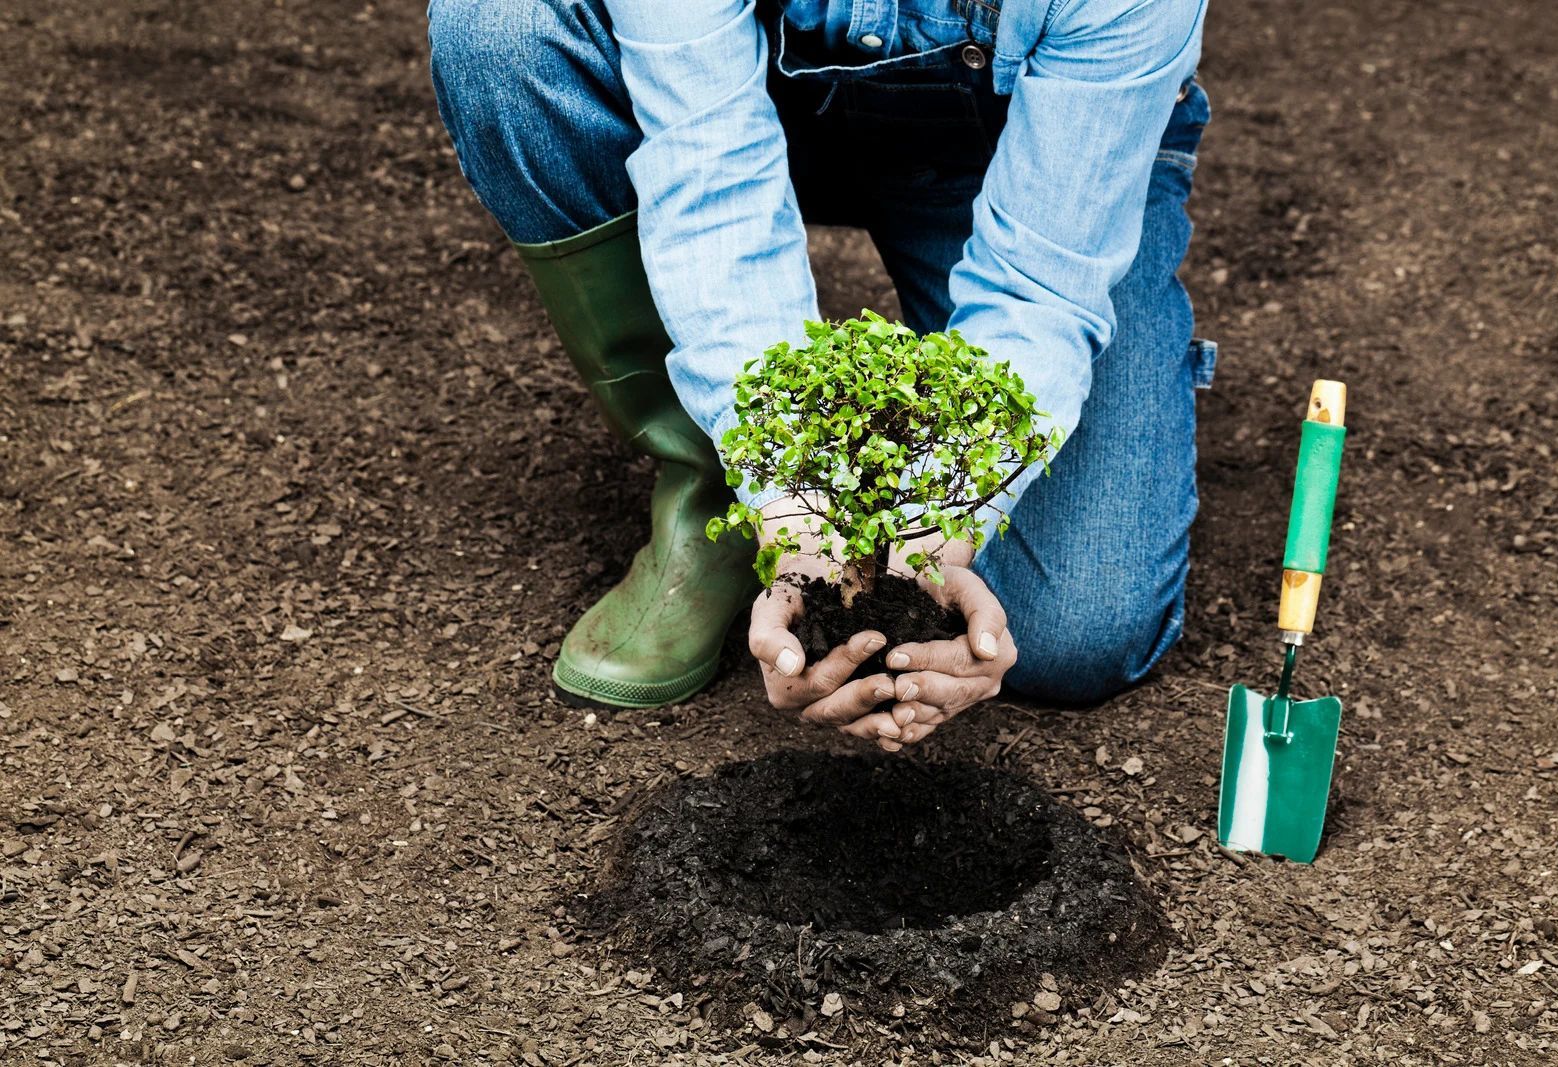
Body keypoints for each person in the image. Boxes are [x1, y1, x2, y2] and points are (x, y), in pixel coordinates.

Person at [427, 0, 1215, 749]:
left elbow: (1038, 285)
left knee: (1072, 631)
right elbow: (712, 178)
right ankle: (713, 490)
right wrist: (790, 503)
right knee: (498, 27)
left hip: (1024, 143)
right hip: (756, 97)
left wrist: (934, 530)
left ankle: (896, 454)